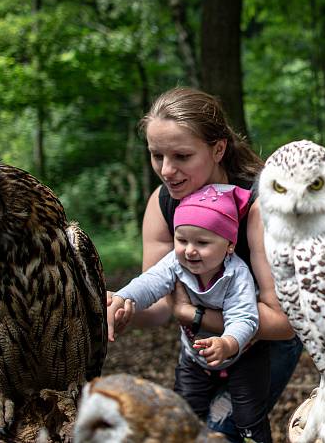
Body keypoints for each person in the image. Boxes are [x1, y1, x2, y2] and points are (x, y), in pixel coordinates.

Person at [108, 87, 303, 442]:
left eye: (182, 156)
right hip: (201, 351)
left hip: (265, 345)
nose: (167, 171)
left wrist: (194, 316)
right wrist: (121, 306)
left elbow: (284, 325)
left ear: (218, 149)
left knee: (221, 433)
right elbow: (159, 308)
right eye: (156, 155)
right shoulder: (163, 203)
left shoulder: (260, 205)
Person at [111, 184, 272, 442]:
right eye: (182, 240)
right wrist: (121, 298)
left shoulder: (237, 275)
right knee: (184, 415)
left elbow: (245, 318)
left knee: (248, 420)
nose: (189, 250)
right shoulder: (176, 263)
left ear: (229, 245)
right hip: (194, 358)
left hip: (244, 357)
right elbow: (150, 282)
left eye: (202, 242)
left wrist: (228, 342)